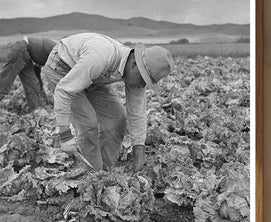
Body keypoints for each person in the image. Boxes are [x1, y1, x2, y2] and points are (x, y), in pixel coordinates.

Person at [41, 32, 174, 171]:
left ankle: (106, 171)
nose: (142, 85)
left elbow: (137, 113)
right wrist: (64, 134)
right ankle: (90, 177)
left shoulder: (136, 75)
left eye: (146, 82)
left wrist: (138, 151)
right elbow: (64, 90)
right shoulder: (101, 57)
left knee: (117, 118)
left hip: (95, 77)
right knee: (88, 124)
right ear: (135, 64)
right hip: (62, 68)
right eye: (143, 80)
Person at [0, 36, 56, 111]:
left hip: (28, 56)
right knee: (4, 83)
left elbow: (38, 74)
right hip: (21, 51)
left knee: (33, 85)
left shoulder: (56, 54)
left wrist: (45, 101)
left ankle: (36, 111)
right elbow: (56, 82)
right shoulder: (59, 55)